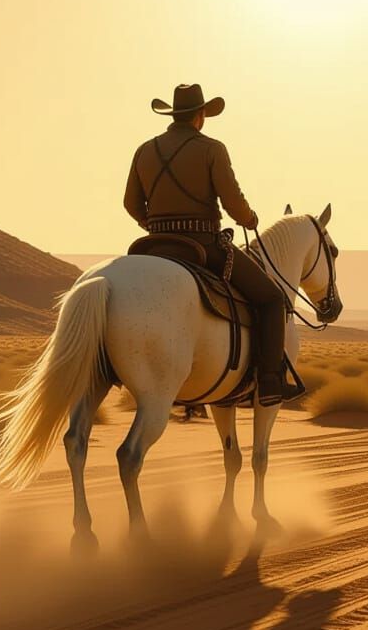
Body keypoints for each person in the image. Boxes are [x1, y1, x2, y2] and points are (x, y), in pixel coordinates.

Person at [123, 83, 299, 406]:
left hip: (153, 246)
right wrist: (250, 219)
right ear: (200, 116)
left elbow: (131, 204)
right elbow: (233, 202)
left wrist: (154, 225)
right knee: (272, 299)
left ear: (174, 115)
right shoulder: (212, 149)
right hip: (204, 247)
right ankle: (271, 381)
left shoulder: (144, 151)